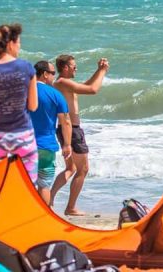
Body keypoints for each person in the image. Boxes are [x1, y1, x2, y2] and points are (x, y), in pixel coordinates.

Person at [0, 23, 38, 183]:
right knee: (28, 186)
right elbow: (33, 106)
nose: (19, 45)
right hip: (23, 135)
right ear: (10, 43)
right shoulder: (27, 68)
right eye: (18, 42)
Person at [50, 55, 109, 216]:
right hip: (72, 130)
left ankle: (48, 200)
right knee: (83, 169)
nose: (76, 68)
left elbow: (86, 85)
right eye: (73, 66)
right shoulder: (62, 82)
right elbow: (93, 90)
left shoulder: (64, 84)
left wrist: (98, 70)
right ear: (65, 68)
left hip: (66, 129)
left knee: (71, 168)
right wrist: (103, 71)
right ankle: (70, 207)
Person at [30, 61, 72, 205]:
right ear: (45, 74)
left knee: (25, 184)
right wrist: (67, 144)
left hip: (24, 146)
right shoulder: (55, 94)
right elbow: (65, 121)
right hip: (46, 146)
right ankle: (42, 219)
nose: (54, 76)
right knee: (44, 186)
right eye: (53, 73)